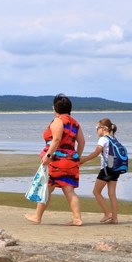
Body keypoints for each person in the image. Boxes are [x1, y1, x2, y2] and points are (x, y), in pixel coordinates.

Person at [24, 93, 85, 226]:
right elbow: (82, 142)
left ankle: (37, 216)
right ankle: (77, 218)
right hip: (71, 160)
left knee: (46, 188)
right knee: (69, 190)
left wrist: (48, 156)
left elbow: (56, 139)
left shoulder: (58, 121)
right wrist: (77, 158)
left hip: (57, 160)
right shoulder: (75, 123)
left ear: (54, 108)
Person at [79, 118, 121, 224]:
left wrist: (83, 160)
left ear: (103, 128)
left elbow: (96, 153)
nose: (96, 130)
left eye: (97, 128)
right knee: (112, 194)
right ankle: (115, 218)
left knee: (96, 192)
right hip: (115, 169)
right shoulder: (113, 139)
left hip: (107, 169)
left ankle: (107, 214)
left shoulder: (103, 139)